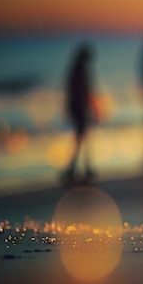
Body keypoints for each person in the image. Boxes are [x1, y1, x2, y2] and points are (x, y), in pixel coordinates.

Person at [62, 42, 96, 182]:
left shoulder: (77, 69)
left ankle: (79, 168)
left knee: (81, 138)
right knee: (81, 138)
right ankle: (77, 168)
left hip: (78, 107)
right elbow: (80, 92)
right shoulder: (79, 70)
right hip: (79, 107)